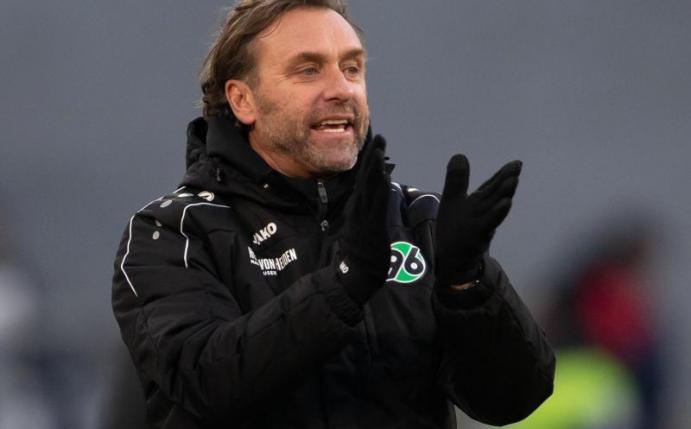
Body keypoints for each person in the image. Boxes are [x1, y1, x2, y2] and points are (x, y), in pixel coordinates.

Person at [112, 1, 555, 428]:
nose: (341, 89)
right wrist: (344, 285)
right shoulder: (173, 233)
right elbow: (204, 383)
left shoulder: (418, 220)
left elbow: (514, 400)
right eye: (308, 70)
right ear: (243, 100)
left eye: (352, 68)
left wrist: (469, 286)